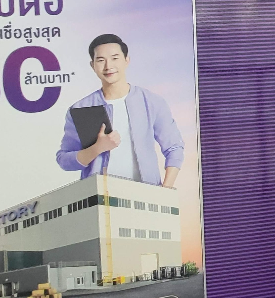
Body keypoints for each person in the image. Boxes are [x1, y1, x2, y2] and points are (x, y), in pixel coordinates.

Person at [56, 34, 184, 187]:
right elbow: (64, 160)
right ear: (92, 65)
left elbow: (174, 147)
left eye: (115, 58)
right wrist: (97, 148)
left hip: (147, 193)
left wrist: (165, 189)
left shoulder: (151, 102)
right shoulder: (81, 109)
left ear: (126, 60)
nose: (108, 66)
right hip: (99, 195)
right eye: (101, 60)